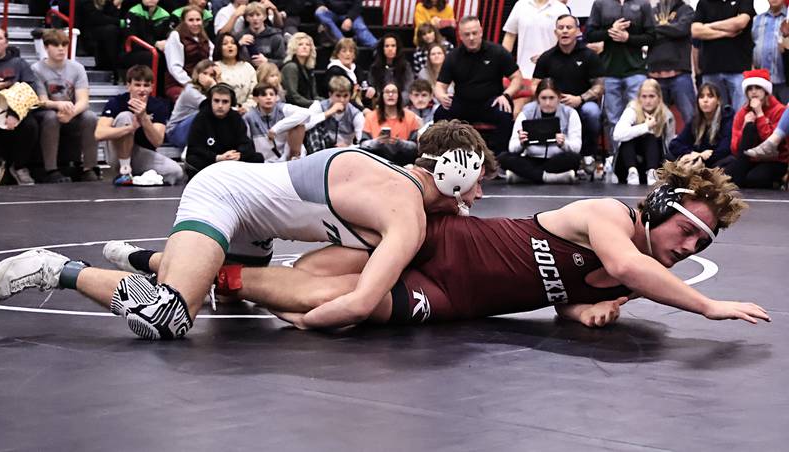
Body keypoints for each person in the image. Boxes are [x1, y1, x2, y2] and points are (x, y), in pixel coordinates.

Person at [0, 121, 498, 340]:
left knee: (230, 293)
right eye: (477, 186)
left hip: (256, 227)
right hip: (223, 193)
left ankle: (145, 261)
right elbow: (361, 302)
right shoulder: (405, 213)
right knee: (168, 317)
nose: (476, 199)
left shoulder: (401, 194)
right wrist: (305, 319)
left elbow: (309, 271)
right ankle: (56, 269)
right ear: (458, 172)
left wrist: (293, 295)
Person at [206, 162, 769, 331]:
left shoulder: (640, 274)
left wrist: (582, 312)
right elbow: (621, 261)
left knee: (338, 312)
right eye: (688, 230)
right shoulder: (611, 217)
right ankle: (188, 268)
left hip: (454, 300)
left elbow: (562, 294)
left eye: (703, 241)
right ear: (657, 208)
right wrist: (709, 305)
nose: (690, 247)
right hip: (444, 244)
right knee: (323, 280)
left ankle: (222, 279)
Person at [434, 16, 523, 154]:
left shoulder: (497, 52)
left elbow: (517, 78)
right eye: (467, 34)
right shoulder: (453, 56)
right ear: (460, 36)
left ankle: (500, 158)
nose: (471, 38)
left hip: (490, 103)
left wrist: (506, 95)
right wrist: (441, 96)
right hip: (463, 103)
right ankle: (443, 155)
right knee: (440, 112)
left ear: (481, 32)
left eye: (474, 33)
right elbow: (440, 85)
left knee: (505, 113)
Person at [533, 14, 604, 175]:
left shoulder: (589, 55)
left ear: (577, 31)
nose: (564, 31)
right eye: (561, 28)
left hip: (582, 102)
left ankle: (588, 155)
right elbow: (535, 85)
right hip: (554, 105)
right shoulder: (546, 57)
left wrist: (580, 98)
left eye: (569, 27)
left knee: (592, 112)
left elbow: (599, 86)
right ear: (555, 32)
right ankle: (539, 157)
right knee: (530, 108)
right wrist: (553, 99)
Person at [95, 65, 184, 186]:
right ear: (129, 86)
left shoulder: (158, 105)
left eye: (146, 85)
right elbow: (99, 133)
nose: (142, 90)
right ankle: (125, 171)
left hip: (141, 154)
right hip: (117, 153)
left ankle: (136, 177)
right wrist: (130, 128)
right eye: (137, 85)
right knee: (125, 116)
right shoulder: (116, 102)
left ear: (152, 87)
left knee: (176, 172)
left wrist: (143, 117)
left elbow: (157, 141)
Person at [32, 29, 98, 183]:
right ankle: (51, 169)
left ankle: (89, 168)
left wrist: (71, 113)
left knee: (90, 117)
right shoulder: (37, 69)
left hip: (70, 112)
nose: (61, 48)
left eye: (64, 44)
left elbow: (83, 100)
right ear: (46, 47)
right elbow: (41, 101)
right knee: (51, 117)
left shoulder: (77, 68)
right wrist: (58, 104)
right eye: (56, 45)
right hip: (47, 111)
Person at [586, 0, 655, 128]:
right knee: (613, 119)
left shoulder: (643, 4)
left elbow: (651, 37)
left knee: (639, 115)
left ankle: (638, 148)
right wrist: (610, 31)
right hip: (608, 69)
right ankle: (615, 149)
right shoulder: (600, 3)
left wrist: (628, 38)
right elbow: (589, 35)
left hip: (636, 69)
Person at [501, 78, 581, 185]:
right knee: (503, 158)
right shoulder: (526, 112)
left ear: (558, 97)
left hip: (556, 160)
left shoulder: (570, 113)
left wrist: (564, 144)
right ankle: (549, 177)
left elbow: (576, 147)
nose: (547, 103)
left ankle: (525, 177)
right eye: (543, 98)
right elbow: (512, 147)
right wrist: (521, 143)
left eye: (552, 98)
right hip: (532, 158)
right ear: (537, 98)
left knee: (574, 159)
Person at [0, 26, 40, 186]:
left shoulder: (19, 64)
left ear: (6, 43)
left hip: (14, 109)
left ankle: (19, 167)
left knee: (30, 125)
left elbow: (30, 89)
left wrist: (14, 113)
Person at [723, 69, 789, 188]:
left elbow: (772, 143)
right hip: (749, 159)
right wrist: (745, 126)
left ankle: (778, 182)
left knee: (754, 179)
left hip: (774, 160)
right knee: (727, 177)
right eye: (750, 88)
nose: (753, 92)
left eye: (758, 88)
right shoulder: (742, 112)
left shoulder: (779, 110)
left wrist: (760, 115)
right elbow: (734, 148)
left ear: (766, 90)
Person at [185, 83, 261, 177]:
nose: (220, 106)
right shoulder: (201, 117)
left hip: (232, 160)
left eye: (225, 102)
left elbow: (246, 143)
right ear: (210, 101)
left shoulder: (236, 118)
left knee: (258, 158)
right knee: (192, 160)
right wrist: (217, 157)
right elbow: (194, 148)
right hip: (211, 161)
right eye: (216, 101)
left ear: (231, 103)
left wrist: (238, 155)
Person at [691, 0, 756, 110]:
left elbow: (740, 23)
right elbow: (696, 31)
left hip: (739, 70)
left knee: (740, 115)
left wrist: (708, 26)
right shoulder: (703, 3)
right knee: (713, 115)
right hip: (711, 70)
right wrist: (726, 32)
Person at [613, 79, 676, 186]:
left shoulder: (666, 115)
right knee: (627, 138)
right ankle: (632, 171)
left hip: (655, 163)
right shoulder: (631, 110)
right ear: (639, 98)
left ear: (659, 98)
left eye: (652, 96)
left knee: (651, 137)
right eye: (644, 96)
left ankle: (651, 172)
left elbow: (669, 145)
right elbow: (617, 135)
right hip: (627, 164)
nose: (648, 101)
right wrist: (646, 126)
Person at [647, 0, 696, 125]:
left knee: (690, 117)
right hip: (655, 76)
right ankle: (661, 146)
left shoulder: (686, 10)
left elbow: (681, 29)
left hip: (679, 74)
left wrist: (656, 29)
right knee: (655, 121)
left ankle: (694, 145)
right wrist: (669, 30)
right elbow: (646, 34)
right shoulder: (651, 11)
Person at [668, 82, 733, 168]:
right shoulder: (695, 120)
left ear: (718, 100)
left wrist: (700, 158)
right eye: (701, 97)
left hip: (715, 160)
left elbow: (724, 149)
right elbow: (674, 144)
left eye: (710, 96)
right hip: (696, 159)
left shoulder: (727, 118)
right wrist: (694, 154)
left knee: (730, 162)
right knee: (668, 157)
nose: (705, 100)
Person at [501, 0, 569, 80]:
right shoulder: (521, 5)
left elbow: (567, 42)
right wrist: (503, 66)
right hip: (522, 74)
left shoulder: (561, 8)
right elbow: (510, 35)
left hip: (550, 76)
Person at [243, 83, 308, 161]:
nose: (268, 98)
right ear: (255, 99)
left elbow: (306, 113)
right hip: (264, 162)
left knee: (299, 125)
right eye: (264, 95)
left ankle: (295, 157)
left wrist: (276, 128)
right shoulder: (249, 116)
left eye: (271, 94)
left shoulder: (282, 108)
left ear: (277, 97)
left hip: (287, 159)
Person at [361, 83, 422, 165]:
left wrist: (400, 143)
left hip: (404, 163)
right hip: (377, 162)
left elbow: (415, 147)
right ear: (382, 95)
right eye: (387, 92)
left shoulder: (410, 116)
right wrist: (377, 142)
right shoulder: (371, 117)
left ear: (399, 96)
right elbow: (363, 145)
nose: (390, 95)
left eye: (394, 92)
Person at [164, 6, 214, 102]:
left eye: (198, 20)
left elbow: (210, 60)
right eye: (191, 20)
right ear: (183, 21)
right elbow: (174, 67)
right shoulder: (175, 36)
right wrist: (191, 84)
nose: (195, 23)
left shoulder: (204, 37)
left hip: (201, 82)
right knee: (199, 101)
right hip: (178, 83)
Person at [120, 0, 171, 94]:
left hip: (156, 51)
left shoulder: (165, 15)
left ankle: (164, 95)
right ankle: (151, 93)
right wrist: (155, 44)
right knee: (151, 56)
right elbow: (131, 38)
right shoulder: (133, 12)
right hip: (133, 51)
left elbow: (167, 36)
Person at [165, 60, 218, 149]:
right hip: (176, 132)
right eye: (204, 73)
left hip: (193, 130)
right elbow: (212, 107)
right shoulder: (190, 89)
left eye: (212, 75)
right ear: (197, 74)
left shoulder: (209, 91)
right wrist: (214, 85)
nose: (208, 78)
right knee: (205, 114)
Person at [305, 75, 365, 152]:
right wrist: (328, 113)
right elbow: (304, 125)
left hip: (345, 151)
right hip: (322, 148)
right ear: (330, 95)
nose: (342, 100)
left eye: (346, 96)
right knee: (314, 126)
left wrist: (349, 147)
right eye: (338, 96)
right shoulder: (319, 106)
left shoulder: (355, 114)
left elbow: (363, 142)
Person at [751, 0, 789, 103]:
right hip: (762, 81)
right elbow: (751, 45)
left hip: (784, 80)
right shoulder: (757, 20)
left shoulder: (787, 20)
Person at [213, 32, 258, 113]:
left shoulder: (247, 66)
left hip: (248, 111)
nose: (230, 46)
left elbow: (255, 91)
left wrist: (246, 107)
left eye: (233, 43)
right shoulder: (215, 67)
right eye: (225, 43)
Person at [75, 0, 123, 73]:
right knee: (110, 31)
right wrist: (118, 22)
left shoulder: (106, 2)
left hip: (104, 32)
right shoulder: (84, 2)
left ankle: (115, 68)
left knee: (114, 31)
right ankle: (115, 69)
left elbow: (113, 14)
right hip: (86, 34)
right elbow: (95, 18)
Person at [236, 2, 286, 69]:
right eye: (251, 15)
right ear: (246, 18)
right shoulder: (240, 36)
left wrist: (267, 61)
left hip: (268, 72)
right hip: (245, 72)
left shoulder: (275, 36)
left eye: (258, 15)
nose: (255, 18)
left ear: (265, 16)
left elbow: (282, 61)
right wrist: (238, 45)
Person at [368, 34, 414, 104]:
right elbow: (373, 87)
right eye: (387, 46)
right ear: (382, 49)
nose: (390, 49)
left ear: (397, 48)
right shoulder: (375, 68)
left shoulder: (405, 67)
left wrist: (397, 102)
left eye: (393, 46)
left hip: (402, 104)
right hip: (381, 105)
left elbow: (408, 89)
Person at [323, 38, 370, 104]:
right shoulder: (334, 71)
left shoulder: (357, 68)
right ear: (338, 54)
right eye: (344, 51)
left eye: (351, 51)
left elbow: (364, 84)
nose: (348, 54)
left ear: (354, 55)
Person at [281, 32, 320, 108]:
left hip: (308, 106)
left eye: (307, 45)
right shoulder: (291, 67)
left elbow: (314, 95)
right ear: (294, 47)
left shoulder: (309, 68)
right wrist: (313, 104)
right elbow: (292, 96)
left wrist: (327, 102)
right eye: (300, 44)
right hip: (294, 108)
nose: (304, 47)